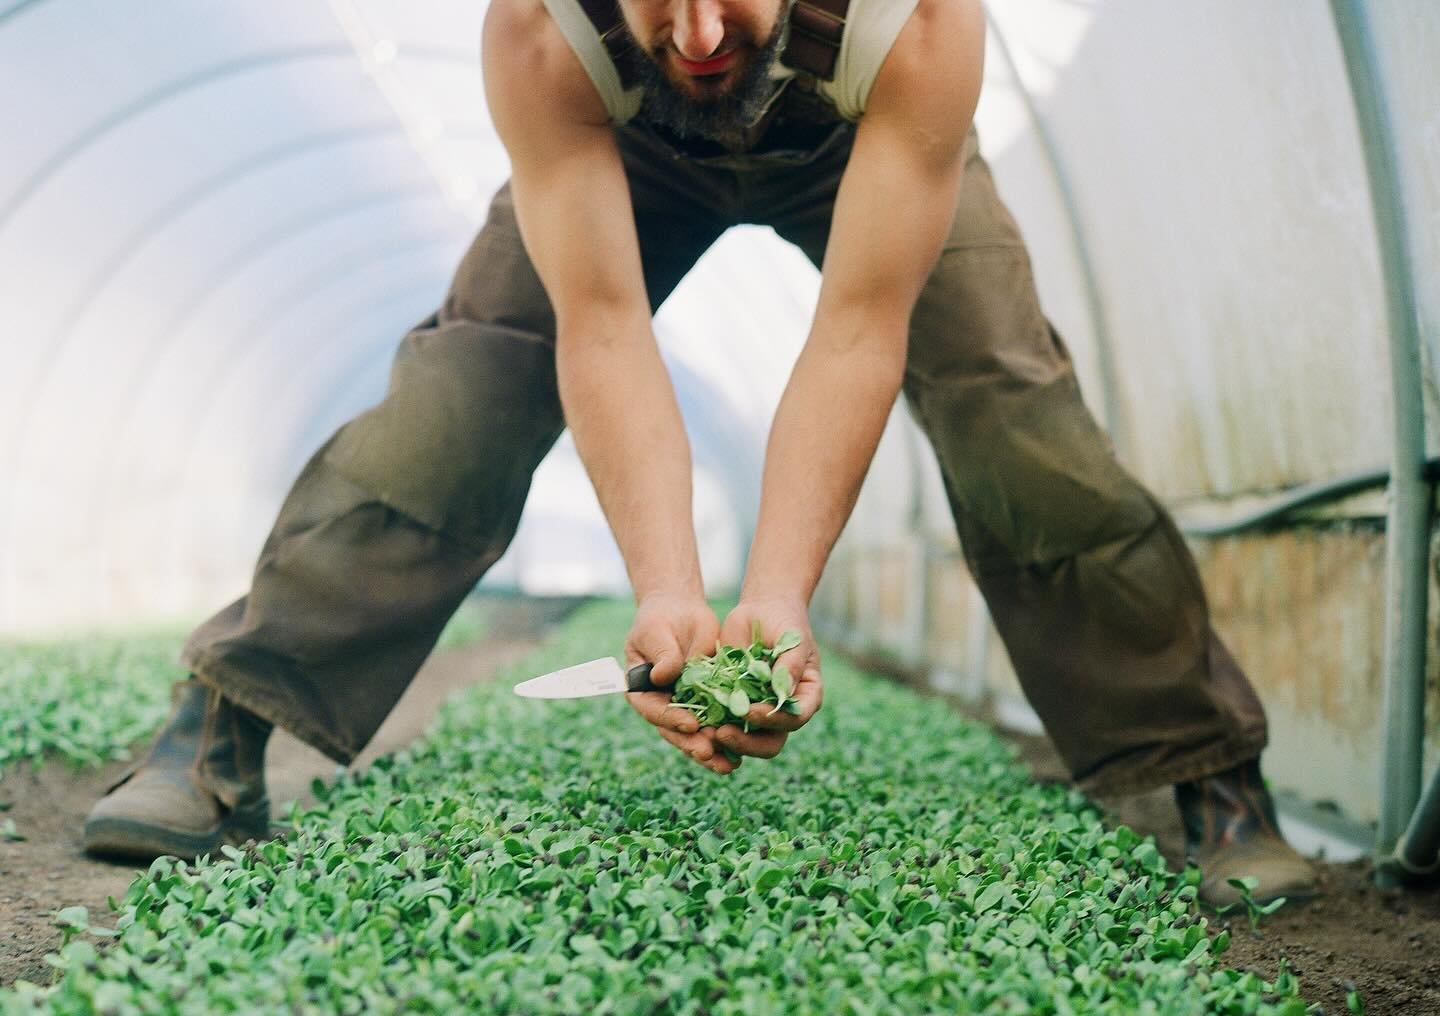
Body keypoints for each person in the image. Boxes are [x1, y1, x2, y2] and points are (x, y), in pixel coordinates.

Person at [84, 0, 1316, 907]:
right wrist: (669, 592)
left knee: (1013, 412)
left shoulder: (918, 22)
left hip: (861, 139)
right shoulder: (539, 33)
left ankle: (1212, 778)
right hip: (621, 152)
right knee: (463, 393)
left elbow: (855, 331)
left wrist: (774, 599)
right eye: (654, 0)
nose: (695, 32)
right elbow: (604, 327)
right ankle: (220, 728)